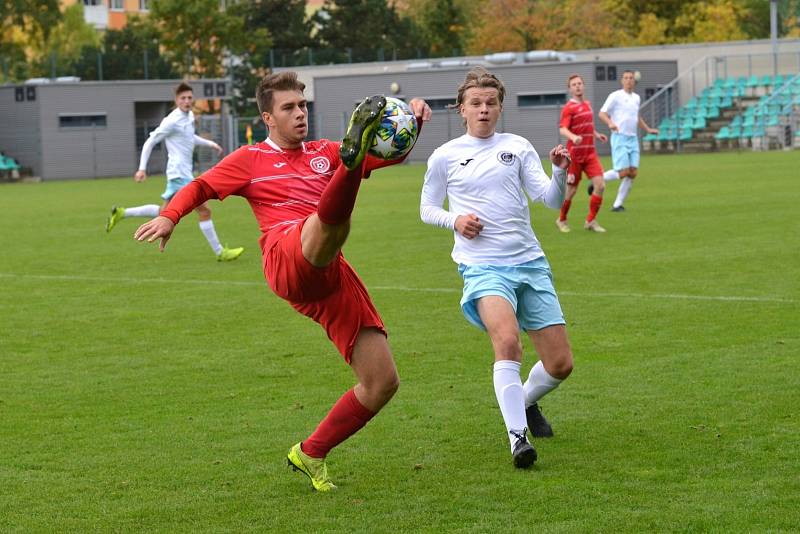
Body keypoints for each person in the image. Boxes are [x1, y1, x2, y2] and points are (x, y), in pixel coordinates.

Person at [134, 72, 431, 491]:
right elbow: (201, 185)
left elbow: (391, 155)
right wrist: (169, 215)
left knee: (382, 382)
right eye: (289, 108)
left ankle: (310, 453)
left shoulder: (325, 152)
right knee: (326, 224)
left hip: (329, 273)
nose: (299, 113)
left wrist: (413, 120)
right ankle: (348, 173)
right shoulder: (249, 159)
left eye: (303, 105)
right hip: (285, 252)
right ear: (268, 117)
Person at [420, 67, 573, 469]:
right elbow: (427, 208)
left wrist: (559, 170)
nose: (484, 109)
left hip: (530, 263)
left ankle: (524, 402)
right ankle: (517, 438)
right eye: (476, 103)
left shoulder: (517, 147)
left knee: (560, 365)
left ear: (500, 107)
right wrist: (455, 221)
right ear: (462, 109)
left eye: (491, 103)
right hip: (483, 268)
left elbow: (551, 200)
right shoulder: (445, 156)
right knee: (507, 343)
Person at [106, 82, 244, 262]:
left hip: (179, 174)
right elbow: (150, 141)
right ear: (176, 100)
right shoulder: (171, 121)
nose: (187, 101)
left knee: (165, 212)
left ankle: (123, 213)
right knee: (204, 211)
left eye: (189, 98)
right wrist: (141, 168)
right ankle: (220, 252)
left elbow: (189, 137)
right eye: (183, 98)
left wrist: (210, 144)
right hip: (180, 174)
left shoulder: (189, 116)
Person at [595, 70, 659, 212]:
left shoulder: (636, 98)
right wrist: (610, 123)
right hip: (619, 137)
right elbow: (602, 113)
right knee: (623, 172)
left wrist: (648, 129)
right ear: (622, 81)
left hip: (633, 138)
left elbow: (636, 117)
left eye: (631, 78)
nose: (629, 80)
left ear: (634, 81)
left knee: (633, 173)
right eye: (626, 78)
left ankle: (617, 205)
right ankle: (598, 179)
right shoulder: (616, 96)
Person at [557, 74, 608, 233]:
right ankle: (561, 219)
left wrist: (596, 134)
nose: (578, 86)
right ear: (570, 89)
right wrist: (573, 137)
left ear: (583, 86)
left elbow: (586, 126)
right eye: (574, 84)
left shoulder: (587, 104)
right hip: (575, 156)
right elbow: (563, 128)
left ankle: (590, 221)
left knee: (600, 185)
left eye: (580, 83)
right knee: (571, 191)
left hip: (590, 153)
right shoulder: (568, 108)